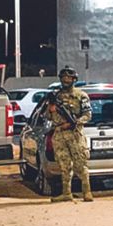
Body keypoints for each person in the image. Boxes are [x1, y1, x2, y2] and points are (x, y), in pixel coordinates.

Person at [44, 65, 92, 203]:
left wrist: (74, 123)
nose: (66, 80)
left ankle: (87, 192)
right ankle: (66, 193)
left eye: (69, 77)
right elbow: (47, 116)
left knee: (80, 164)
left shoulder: (81, 96)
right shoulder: (56, 96)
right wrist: (51, 109)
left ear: (74, 79)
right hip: (59, 134)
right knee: (64, 165)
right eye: (64, 77)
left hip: (74, 134)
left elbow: (87, 115)